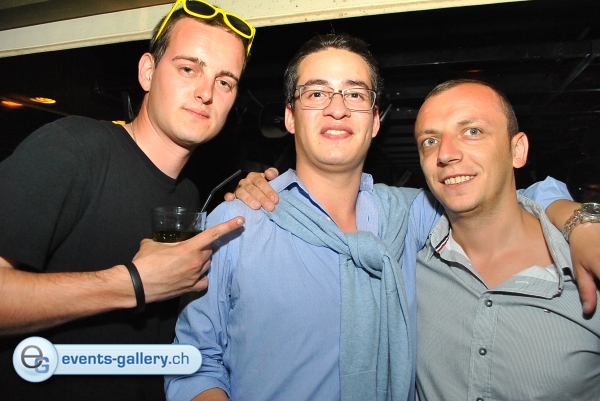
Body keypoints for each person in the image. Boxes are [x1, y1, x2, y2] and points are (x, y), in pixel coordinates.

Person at [166, 34, 575, 401]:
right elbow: (194, 362)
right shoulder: (236, 223)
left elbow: (501, 196)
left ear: (376, 120)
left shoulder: (410, 215)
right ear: (290, 116)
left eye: (355, 94)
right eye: (317, 93)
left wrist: (582, 220)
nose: (337, 109)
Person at [0, 1, 255, 400]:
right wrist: (133, 282)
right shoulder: (73, 148)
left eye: (224, 82)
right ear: (147, 72)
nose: (205, 93)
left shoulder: (189, 195)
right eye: (188, 69)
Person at [413, 80, 600, 400]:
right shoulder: (410, 263)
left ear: (518, 150)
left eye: (472, 131)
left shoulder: (586, 264)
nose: (445, 153)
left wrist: (582, 221)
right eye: (430, 140)